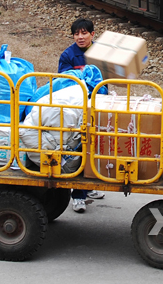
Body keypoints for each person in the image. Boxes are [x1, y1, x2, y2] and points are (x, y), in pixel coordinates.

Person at [58, 17, 104, 212]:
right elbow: (64, 83)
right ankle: (78, 196)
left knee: (96, 146)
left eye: (84, 33)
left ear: (93, 34)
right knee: (79, 146)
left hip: (97, 106)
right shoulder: (68, 55)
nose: (80, 37)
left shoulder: (101, 54)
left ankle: (89, 186)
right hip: (77, 109)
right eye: (76, 33)